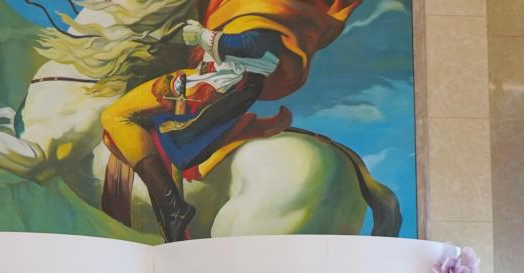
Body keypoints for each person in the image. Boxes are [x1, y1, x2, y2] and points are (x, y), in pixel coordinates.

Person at [98, 3, 357, 241]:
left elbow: (256, 47)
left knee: (116, 116)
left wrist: (202, 36)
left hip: (217, 86)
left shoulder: (265, 5)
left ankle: (172, 208)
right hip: (213, 77)